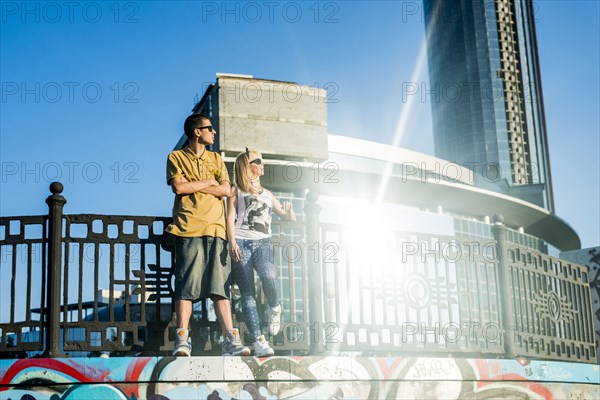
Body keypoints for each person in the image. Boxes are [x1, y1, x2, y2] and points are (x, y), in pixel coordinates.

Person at [166, 113, 250, 357]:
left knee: (220, 289)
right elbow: (178, 187)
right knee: (186, 288)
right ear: (197, 132)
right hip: (188, 228)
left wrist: (198, 183)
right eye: (209, 129)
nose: (214, 132)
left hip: (217, 230)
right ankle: (182, 341)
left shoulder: (216, 158)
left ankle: (230, 340)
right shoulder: (177, 157)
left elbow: (227, 189)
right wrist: (207, 182)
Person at [226, 149, 296, 356]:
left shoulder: (267, 194)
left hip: (263, 243)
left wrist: (289, 209)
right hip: (241, 241)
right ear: (247, 166)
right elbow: (230, 217)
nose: (262, 164)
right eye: (258, 161)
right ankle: (259, 341)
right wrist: (232, 242)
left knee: (268, 276)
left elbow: (287, 217)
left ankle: (275, 307)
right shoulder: (235, 190)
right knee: (247, 294)